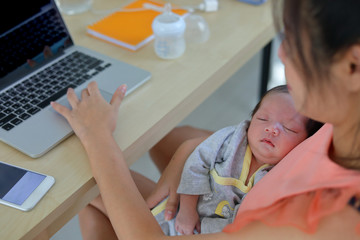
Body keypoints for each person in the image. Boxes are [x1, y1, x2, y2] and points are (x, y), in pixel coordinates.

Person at [51, 0, 360, 239]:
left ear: (352, 64)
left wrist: (98, 137)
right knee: (168, 140)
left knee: (83, 186)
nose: (281, 54)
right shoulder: (344, 122)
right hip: (227, 204)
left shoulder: (333, 220)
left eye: (294, 42)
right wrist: (186, 157)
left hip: (217, 224)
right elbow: (206, 142)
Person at [153, 85, 321, 235]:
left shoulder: (279, 179)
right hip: (182, 211)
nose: (272, 129)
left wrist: (199, 230)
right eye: (263, 118)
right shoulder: (231, 139)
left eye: (288, 128)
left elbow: (239, 228)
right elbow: (197, 163)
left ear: (304, 143)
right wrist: (188, 210)